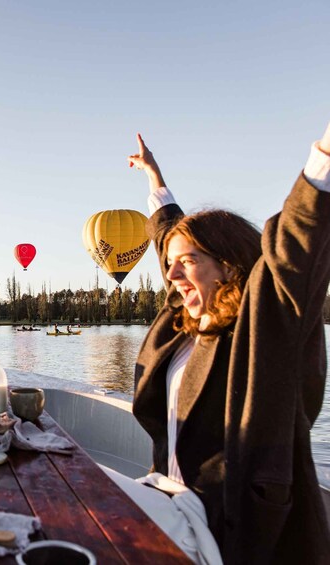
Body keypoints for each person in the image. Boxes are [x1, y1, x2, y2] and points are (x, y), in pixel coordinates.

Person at [112, 122, 330, 564]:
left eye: (187, 262)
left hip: (225, 527)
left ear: (229, 266)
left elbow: (297, 244)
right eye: (169, 263)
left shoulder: (266, 327)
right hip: (169, 497)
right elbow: (168, 233)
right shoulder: (184, 319)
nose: (171, 274)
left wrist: (324, 156)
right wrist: (154, 178)